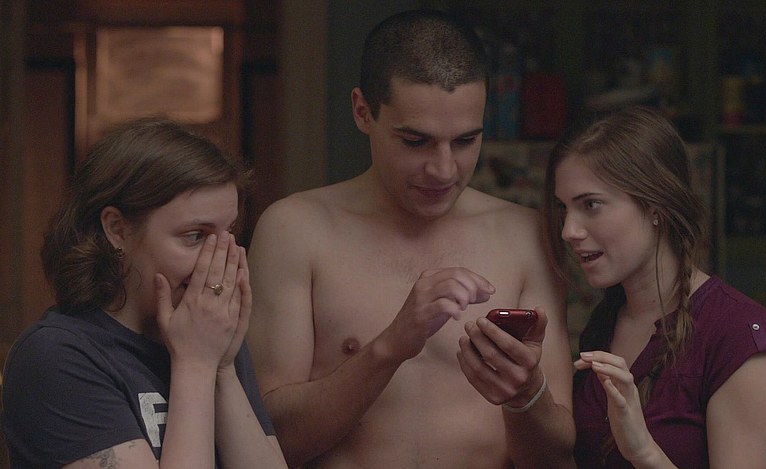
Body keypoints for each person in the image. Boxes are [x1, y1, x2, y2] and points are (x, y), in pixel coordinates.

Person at [246, 9, 574, 468]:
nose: (443, 169)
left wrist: (525, 395)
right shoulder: (295, 231)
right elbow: (270, 442)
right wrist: (392, 345)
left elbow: (556, 458)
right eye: (416, 142)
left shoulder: (525, 235)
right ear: (363, 112)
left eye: (465, 141)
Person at [1, 117, 288, 468]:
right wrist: (196, 364)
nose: (219, 259)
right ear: (117, 229)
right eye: (195, 236)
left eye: (228, 232)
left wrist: (223, 369)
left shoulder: (209, 330)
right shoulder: (57, 356)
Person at [543, 106, 766, 468]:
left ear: (656, 205)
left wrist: (644, 452)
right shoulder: (607, 319)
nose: (569, 230)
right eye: (564, 208)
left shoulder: (741, 339)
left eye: (591, 204)